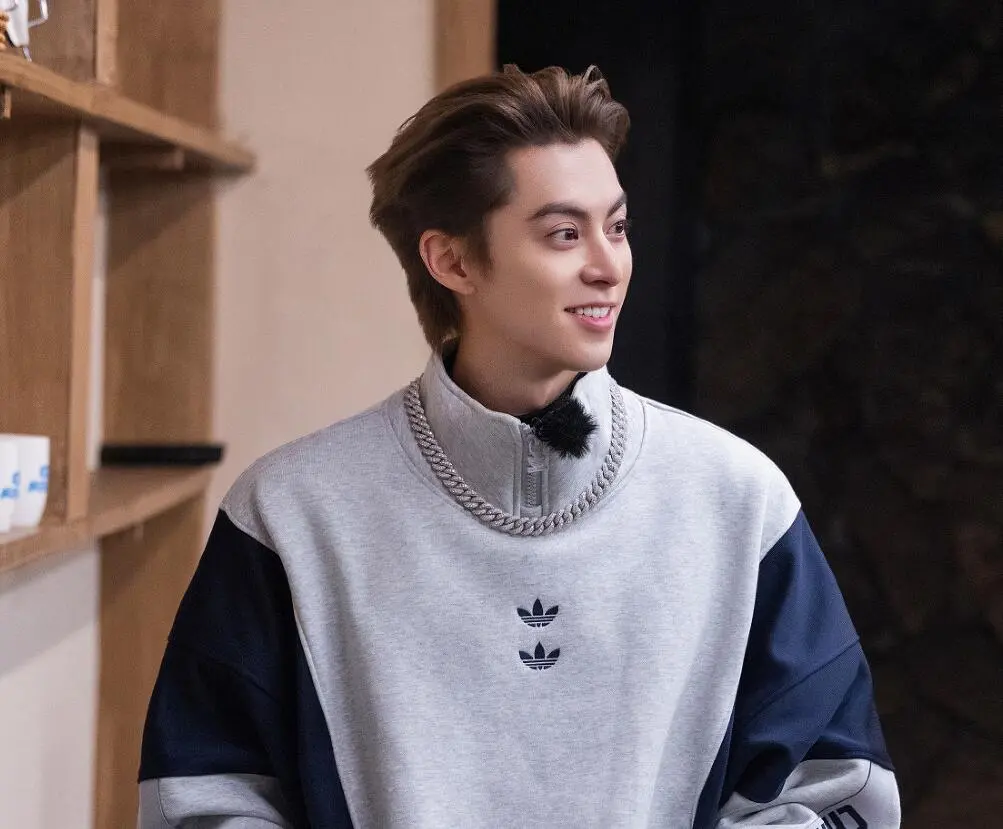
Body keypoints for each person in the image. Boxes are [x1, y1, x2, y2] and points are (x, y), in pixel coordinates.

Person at [137, 65, 900, 828]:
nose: (607, 265)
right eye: (564, 233)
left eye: (617, 227)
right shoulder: (290, 513)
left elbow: (833, 789)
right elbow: (205, 797)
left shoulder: (738, 500)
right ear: (452, 261)